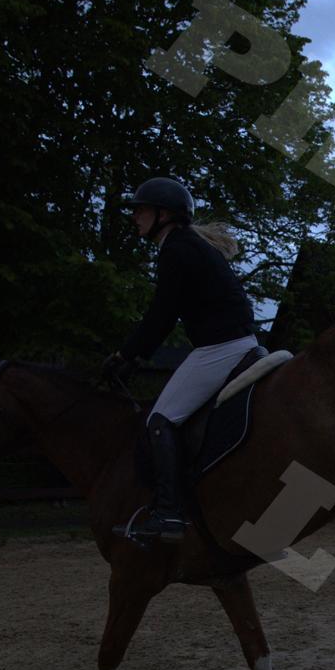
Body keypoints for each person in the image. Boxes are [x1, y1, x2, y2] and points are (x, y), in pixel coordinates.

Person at [103, 177, 259, 543]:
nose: (135, 217)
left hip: (220, 348)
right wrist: (135, 355)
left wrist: (126, 355)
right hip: (236, 342)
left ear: (164, 214)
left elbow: (161, 316)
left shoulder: (177, 249)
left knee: (160, 420)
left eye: (141, 210)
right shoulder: (187, 245)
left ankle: (169, 514)